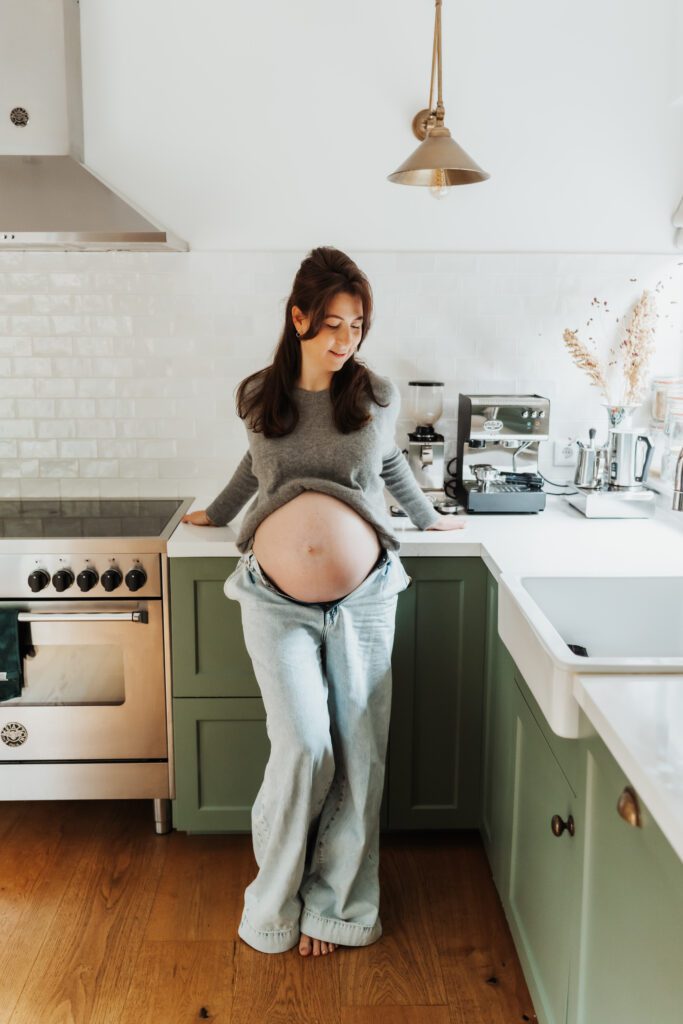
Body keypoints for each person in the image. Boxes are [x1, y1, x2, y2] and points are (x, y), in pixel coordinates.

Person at [181, 246, 465, 957]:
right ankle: (272, 903)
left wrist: (429, 519)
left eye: (358, 325)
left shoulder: (373, 394)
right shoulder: (258, 395)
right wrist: (217, 514)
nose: (346, 341)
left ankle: (336, 907)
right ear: (298, 317)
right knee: (305, 747)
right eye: (333, 324)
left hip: (364, 596)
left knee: (359, 755)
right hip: (274, 599)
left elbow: (390, 463)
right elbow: (257, 463)